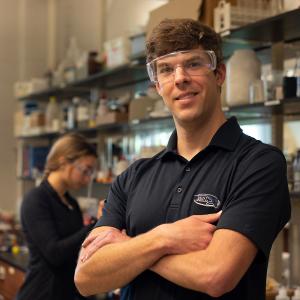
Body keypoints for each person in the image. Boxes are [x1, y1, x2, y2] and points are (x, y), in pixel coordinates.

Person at [74, 18, 291, 300]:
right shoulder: (134, 176)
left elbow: (215, 275)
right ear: (158, 86)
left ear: (219, 74)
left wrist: (129, 249)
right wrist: (164, 238)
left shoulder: (258, 164)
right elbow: (86, 276)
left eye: (193, 64)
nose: (180, 78)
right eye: (166, 69)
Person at [16, 133, 98, 300]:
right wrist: (94, 226)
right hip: (41, 294)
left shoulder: (71, 203)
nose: (88, 179)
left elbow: (77, 249)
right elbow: (54, 253)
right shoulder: (36, 199)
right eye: (85, 170)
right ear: (63, 162)